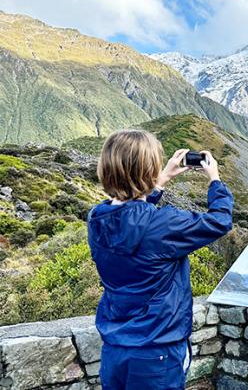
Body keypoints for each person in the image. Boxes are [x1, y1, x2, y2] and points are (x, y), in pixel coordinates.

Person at [87, 130, 233, 389]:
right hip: (157, 352)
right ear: (149, 169)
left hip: (115, 349)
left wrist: (160, 182)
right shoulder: (163, 224)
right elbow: (220, 221)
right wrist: (215, 180)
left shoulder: (97, 218)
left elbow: (133, 217)